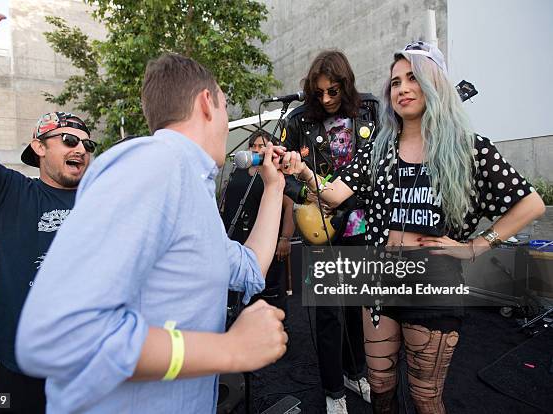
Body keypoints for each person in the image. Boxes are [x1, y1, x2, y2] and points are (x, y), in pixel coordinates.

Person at [16, 53, 289, 413]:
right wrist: (229, 349)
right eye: (225, 107)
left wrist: (274, 186)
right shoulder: (155, 164)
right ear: (207, 103)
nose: (227, 123)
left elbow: (250, 267)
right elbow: (60, 334)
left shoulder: (191, 186)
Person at [285, 41, 546, 413]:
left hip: (433, 283)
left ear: (435, 85)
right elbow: (332, 195)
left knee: (425, 398)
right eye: (395, 82)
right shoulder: (379, 147)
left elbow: (530, 203)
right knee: (380, 387)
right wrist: (302, 171)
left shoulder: (467, 148)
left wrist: (477, 246)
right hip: (379, 277)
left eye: (413, 78)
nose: (402, 88)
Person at [0, 1, 95, 412]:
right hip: (24, 368)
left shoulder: (104, 198)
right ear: (38, 147)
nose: (80, 147)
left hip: (93, 363)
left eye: (86, 143)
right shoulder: (8, 192)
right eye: (68, 139)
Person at [281, 49, 376, 412]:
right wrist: (308, 194)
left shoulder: (370, 111)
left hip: (359, 221)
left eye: (333, 91)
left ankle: (356, 372)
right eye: (319, 92)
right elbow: (283, 172)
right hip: (318, 224)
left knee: (355, 305)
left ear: (345, 85)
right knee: (327, 311)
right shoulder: (299, 119)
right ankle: (333, 390)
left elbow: (381, 161)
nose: (325, 99)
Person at [221, 129, 295, 310]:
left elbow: (289, 207)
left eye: (261, 146)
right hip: (236, 238)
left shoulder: (274, 174)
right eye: (253, 146)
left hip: (265, 241)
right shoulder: (239, 169)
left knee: (268, 296)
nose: (255, 149)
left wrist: (285, 238)